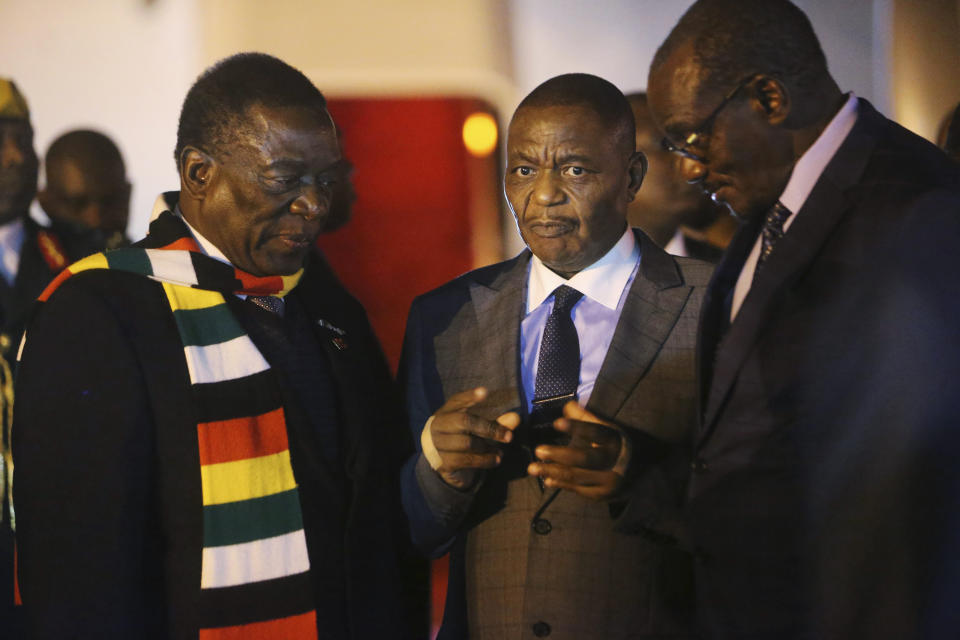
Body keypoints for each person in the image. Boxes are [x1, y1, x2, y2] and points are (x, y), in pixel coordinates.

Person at [13, 53, 416, 639]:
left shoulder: (329, 306)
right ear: (199, 173)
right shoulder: (100, 310)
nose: (314, 206)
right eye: (286, 180)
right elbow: (79, 573)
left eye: (325, 181)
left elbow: (373, 517)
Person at [643, 1, 960, 637]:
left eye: (692, 137)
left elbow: (909, 507)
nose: (687, 167)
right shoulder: (770, 208)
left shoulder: (915, 211)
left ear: (768, 97)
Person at [400, 73, 712, 640]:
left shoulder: (717, 305)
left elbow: (774, 511)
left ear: (631, 177)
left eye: (574, 169)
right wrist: (437, 465)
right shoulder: (444, 317)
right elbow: (411, 531)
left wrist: (634, 473)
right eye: (523, 170)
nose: (543, 194)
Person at [625, 92, 733, 262]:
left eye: (691, 142)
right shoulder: (577, 280)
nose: (693, 163)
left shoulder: (729, 268)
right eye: (666, 146)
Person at [38, 128, 132, 249]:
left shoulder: (152, 265)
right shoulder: (16, 263)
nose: (96, 219)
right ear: (46, 203)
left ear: (127, 196)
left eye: (110, 201)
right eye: (78, 204)